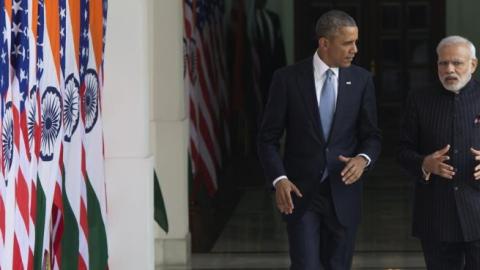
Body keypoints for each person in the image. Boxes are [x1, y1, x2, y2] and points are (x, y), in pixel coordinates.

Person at [257, 10, 381, 270]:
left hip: (344, 193)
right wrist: (279, 179)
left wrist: (363, 159)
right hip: (300, 194)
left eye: (355, 42)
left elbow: (372, 136)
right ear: (324, 43)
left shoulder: (361, 80)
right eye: (347, 43)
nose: (355, 49)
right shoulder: (287, 79)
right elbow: (267, 138)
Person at [397, 35, 480, 269]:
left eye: (457, 63)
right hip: (436, 215)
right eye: (443, 63)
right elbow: (402, 151)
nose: (449, 69)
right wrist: (424, 163)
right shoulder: (419, 99)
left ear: (473, 65)